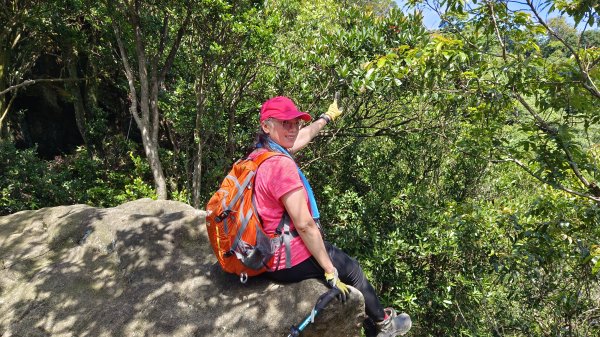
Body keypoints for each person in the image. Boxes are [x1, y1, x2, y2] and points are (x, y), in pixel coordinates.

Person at [247, 96, 412, 337]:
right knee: (351, 269)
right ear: (266, 125)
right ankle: (384, 325)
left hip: (266, 250)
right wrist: (328, 269)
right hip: (285, 259)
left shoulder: (261, 153)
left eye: (295, 122)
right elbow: (304, 225)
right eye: (285, 123)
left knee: (342, 263)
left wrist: (327, 117)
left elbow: (302, 137)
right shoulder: (280, 166)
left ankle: (372, 321)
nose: (292, 128)